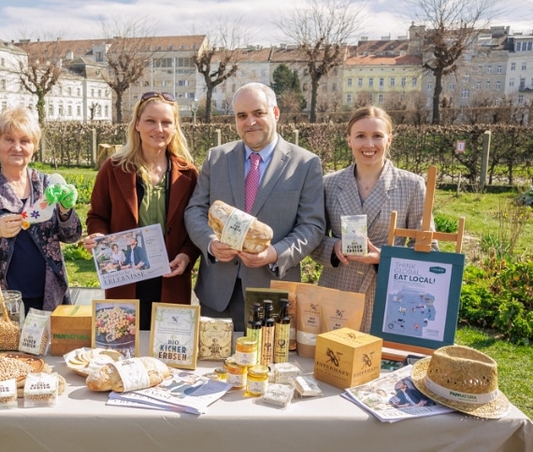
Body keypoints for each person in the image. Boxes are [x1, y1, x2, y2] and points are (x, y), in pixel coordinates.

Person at [184, 82, 325, 332]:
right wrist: (210, 244)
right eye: (242, 116)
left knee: (265, 368)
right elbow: (195, 210)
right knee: (211, 368)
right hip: (217, 294)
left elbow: (311, 226)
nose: (250, 122)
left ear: (276, 113)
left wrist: (275, 254)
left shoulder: (305, 164)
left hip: (272, 292)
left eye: (258, 113)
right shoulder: (216, 158)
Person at [309, 106, 438, 333]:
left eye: (377, 136)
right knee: (333, 362)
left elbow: (429, 250)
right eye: (360, 136)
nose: (369, 145)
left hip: (390, 295)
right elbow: (312, 237)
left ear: (389, 139)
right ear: (349, 140)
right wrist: (334, 247)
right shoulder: (329, 184)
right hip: (338, 292)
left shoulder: (412, 185)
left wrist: (384, 257)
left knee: (381, 363)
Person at [84, 91, 200, 330]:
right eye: (150, 121)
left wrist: (187, 255)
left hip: (171, 278)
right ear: (137, 124)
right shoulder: (113, 168)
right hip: (126, 278)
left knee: (167, 348)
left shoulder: (189, 174)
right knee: (125, 344)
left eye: (166, 122)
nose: (159, 128)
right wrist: (98, 235)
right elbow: (97, 216)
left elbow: (196, 225)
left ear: (175, 127)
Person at [0, 106, 81, 313]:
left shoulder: (47, 185)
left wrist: (66, 211)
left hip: (49, 297)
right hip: (1, 301)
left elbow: (71, 236)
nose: (17, 147)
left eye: (25, 140)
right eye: (9, 139)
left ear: (34, 146)